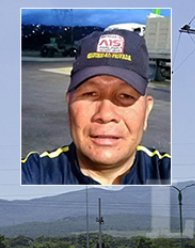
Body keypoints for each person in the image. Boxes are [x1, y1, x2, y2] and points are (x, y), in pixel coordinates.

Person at [22, 29, 170, 185]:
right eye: (90, 94)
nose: (105, 115)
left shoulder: (169, 174)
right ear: (69, 103)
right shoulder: (33, 174)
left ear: (146, 111)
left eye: (125, 96)